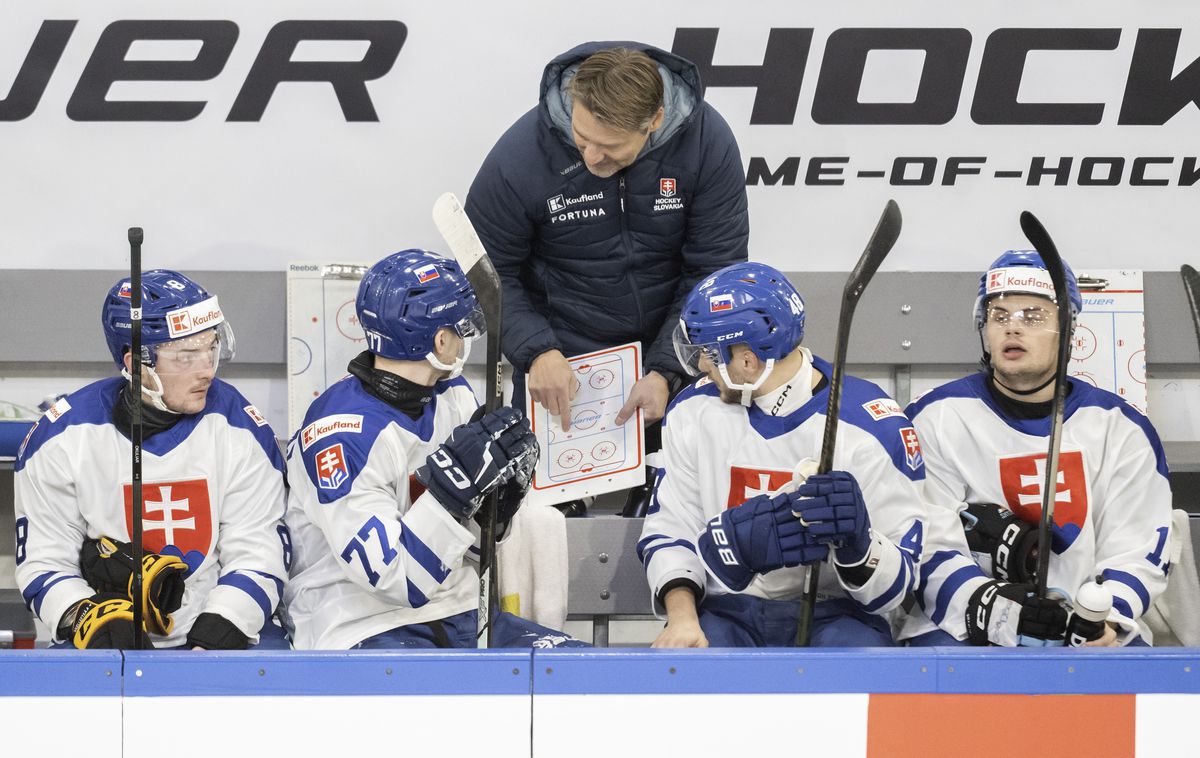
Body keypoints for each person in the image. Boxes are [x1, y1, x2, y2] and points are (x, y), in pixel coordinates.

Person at [638, 262, 942, 647]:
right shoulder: (692, 411)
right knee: (692, 666)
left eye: (708, 353)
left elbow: (898, 586)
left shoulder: (872, 426)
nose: (700, 366)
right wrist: (682, 620)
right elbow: (671, 528)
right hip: (727, 610)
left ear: (746, 360)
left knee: (857, 664)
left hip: (838, 614)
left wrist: (860, 549)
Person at [465, 42, 748, 451]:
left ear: (655, 120)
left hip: (675, 354)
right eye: (581, 139)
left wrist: (668, 369)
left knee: (680, 488)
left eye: (610, 147)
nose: (592, 157)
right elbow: (487, 272)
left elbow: (713, 270)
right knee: (548, 492)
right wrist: (536, 351)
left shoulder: (707, 142)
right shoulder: (521, 155)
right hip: (562, 364)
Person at [281, 249, 550, 649]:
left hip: (457, 610)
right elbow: (399, 581)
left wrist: (496, 508)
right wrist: (453, 494)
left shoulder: (452, 393)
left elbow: (470, 550)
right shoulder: (339, 435)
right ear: (441, 340)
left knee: (578, 671)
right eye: (461, 328)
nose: (466, 337)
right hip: (358, 623)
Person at [901, 250, 1172, 647]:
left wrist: (1104, 619)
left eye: (1033, 316)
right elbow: (927, 543)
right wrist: (1001, 615)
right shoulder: (935, 417)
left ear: (1069, 329)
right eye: (999, 316)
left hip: (1089, 625)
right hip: (967, 623)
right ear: (984, 330)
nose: (1013, 327)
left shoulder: (1121, 428)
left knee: (1129, 664)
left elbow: (1138, 547)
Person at [14, 270, 290, 650]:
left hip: (215, 629)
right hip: (108, 638)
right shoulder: (61, 439)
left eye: (211, 349)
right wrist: (86, 618)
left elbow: (260, 547)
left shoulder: (239, 426)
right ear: (135, 364)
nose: (207, 370)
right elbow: (44, 561)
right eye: (186, 357)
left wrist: (224, 624)